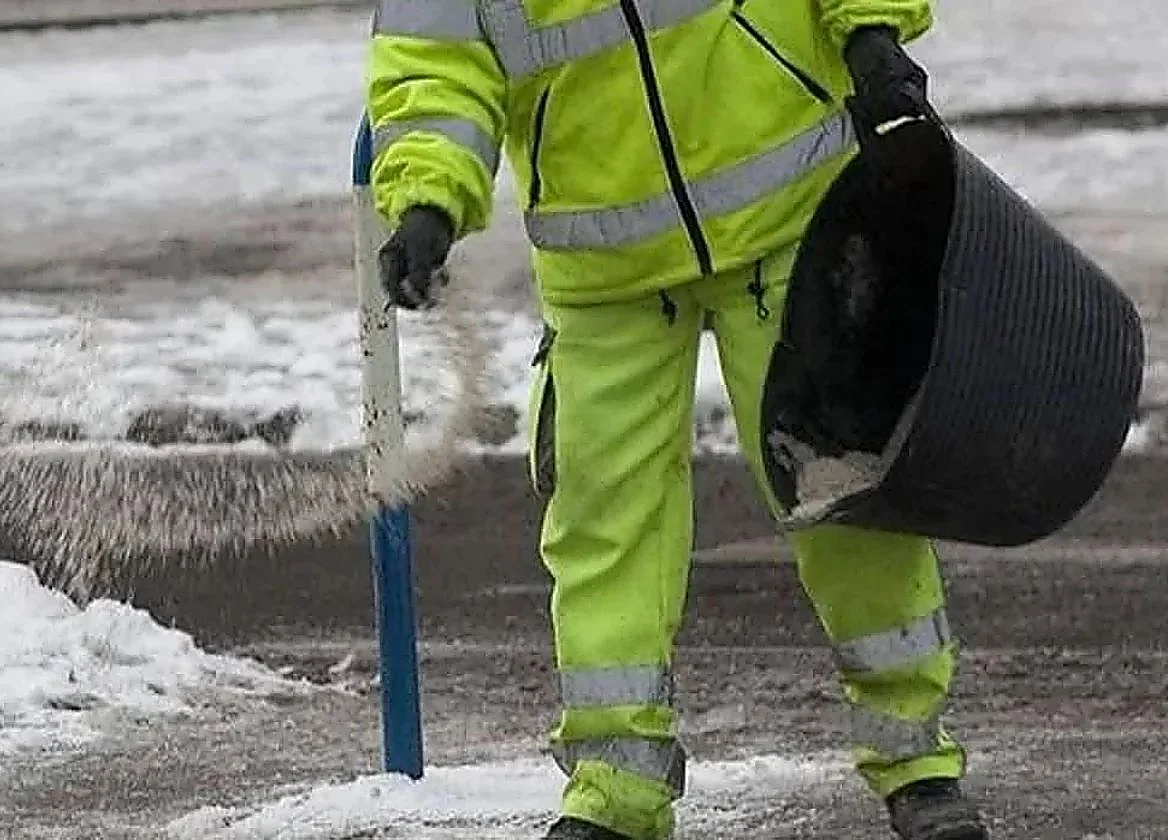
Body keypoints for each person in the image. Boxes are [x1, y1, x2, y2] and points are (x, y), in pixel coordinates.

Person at [367, 0, 989, 837]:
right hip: (603, 267)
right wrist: (428, 200)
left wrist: (870, 31)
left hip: (787, 213)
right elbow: (433, 62)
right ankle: (616, 789)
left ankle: (917, 762)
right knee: (604, 527)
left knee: (843, 492)